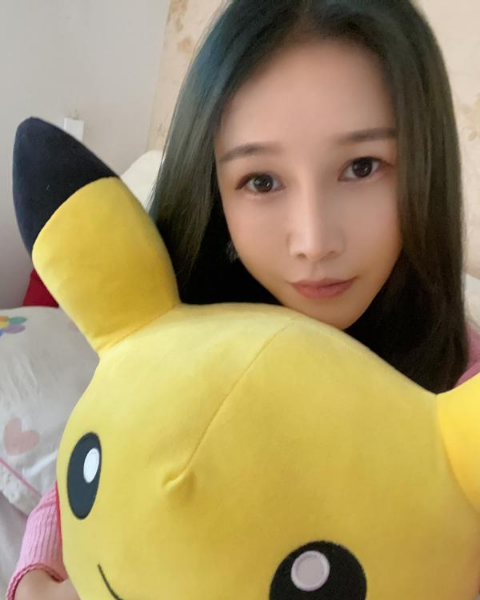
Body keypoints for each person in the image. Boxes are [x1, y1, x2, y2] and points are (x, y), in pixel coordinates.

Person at [9, 0, 480, 598]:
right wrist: (39, 575)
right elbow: (103, 462)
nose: (314, 240)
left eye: (363, 167)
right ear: (215, 188)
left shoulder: (460, 391)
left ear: (424, 165)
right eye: (261, 181)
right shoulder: (176, 328)